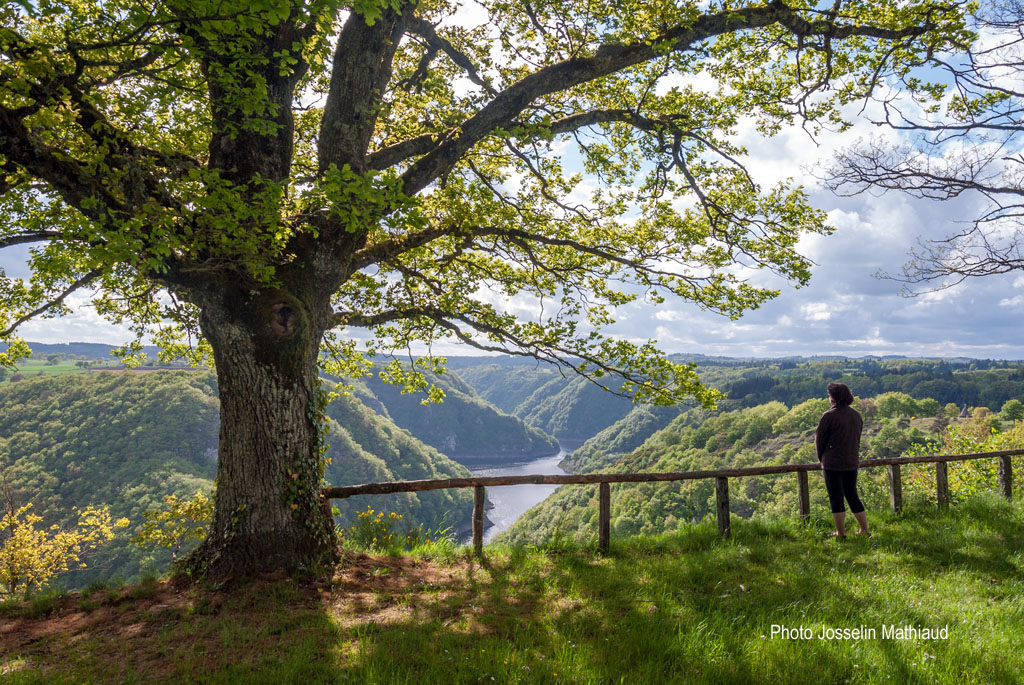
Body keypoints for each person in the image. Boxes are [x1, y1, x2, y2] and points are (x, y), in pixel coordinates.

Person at [815, 382, 869, 539]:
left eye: (829, 395)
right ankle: (864, 529)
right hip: (852, 461)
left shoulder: (828, 416)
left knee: (836, 497)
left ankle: (840, 533)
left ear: (833, 398)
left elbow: (820, 442)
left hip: (833, 463)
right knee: (852, 495)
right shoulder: (856, 415)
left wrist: (822, 460)